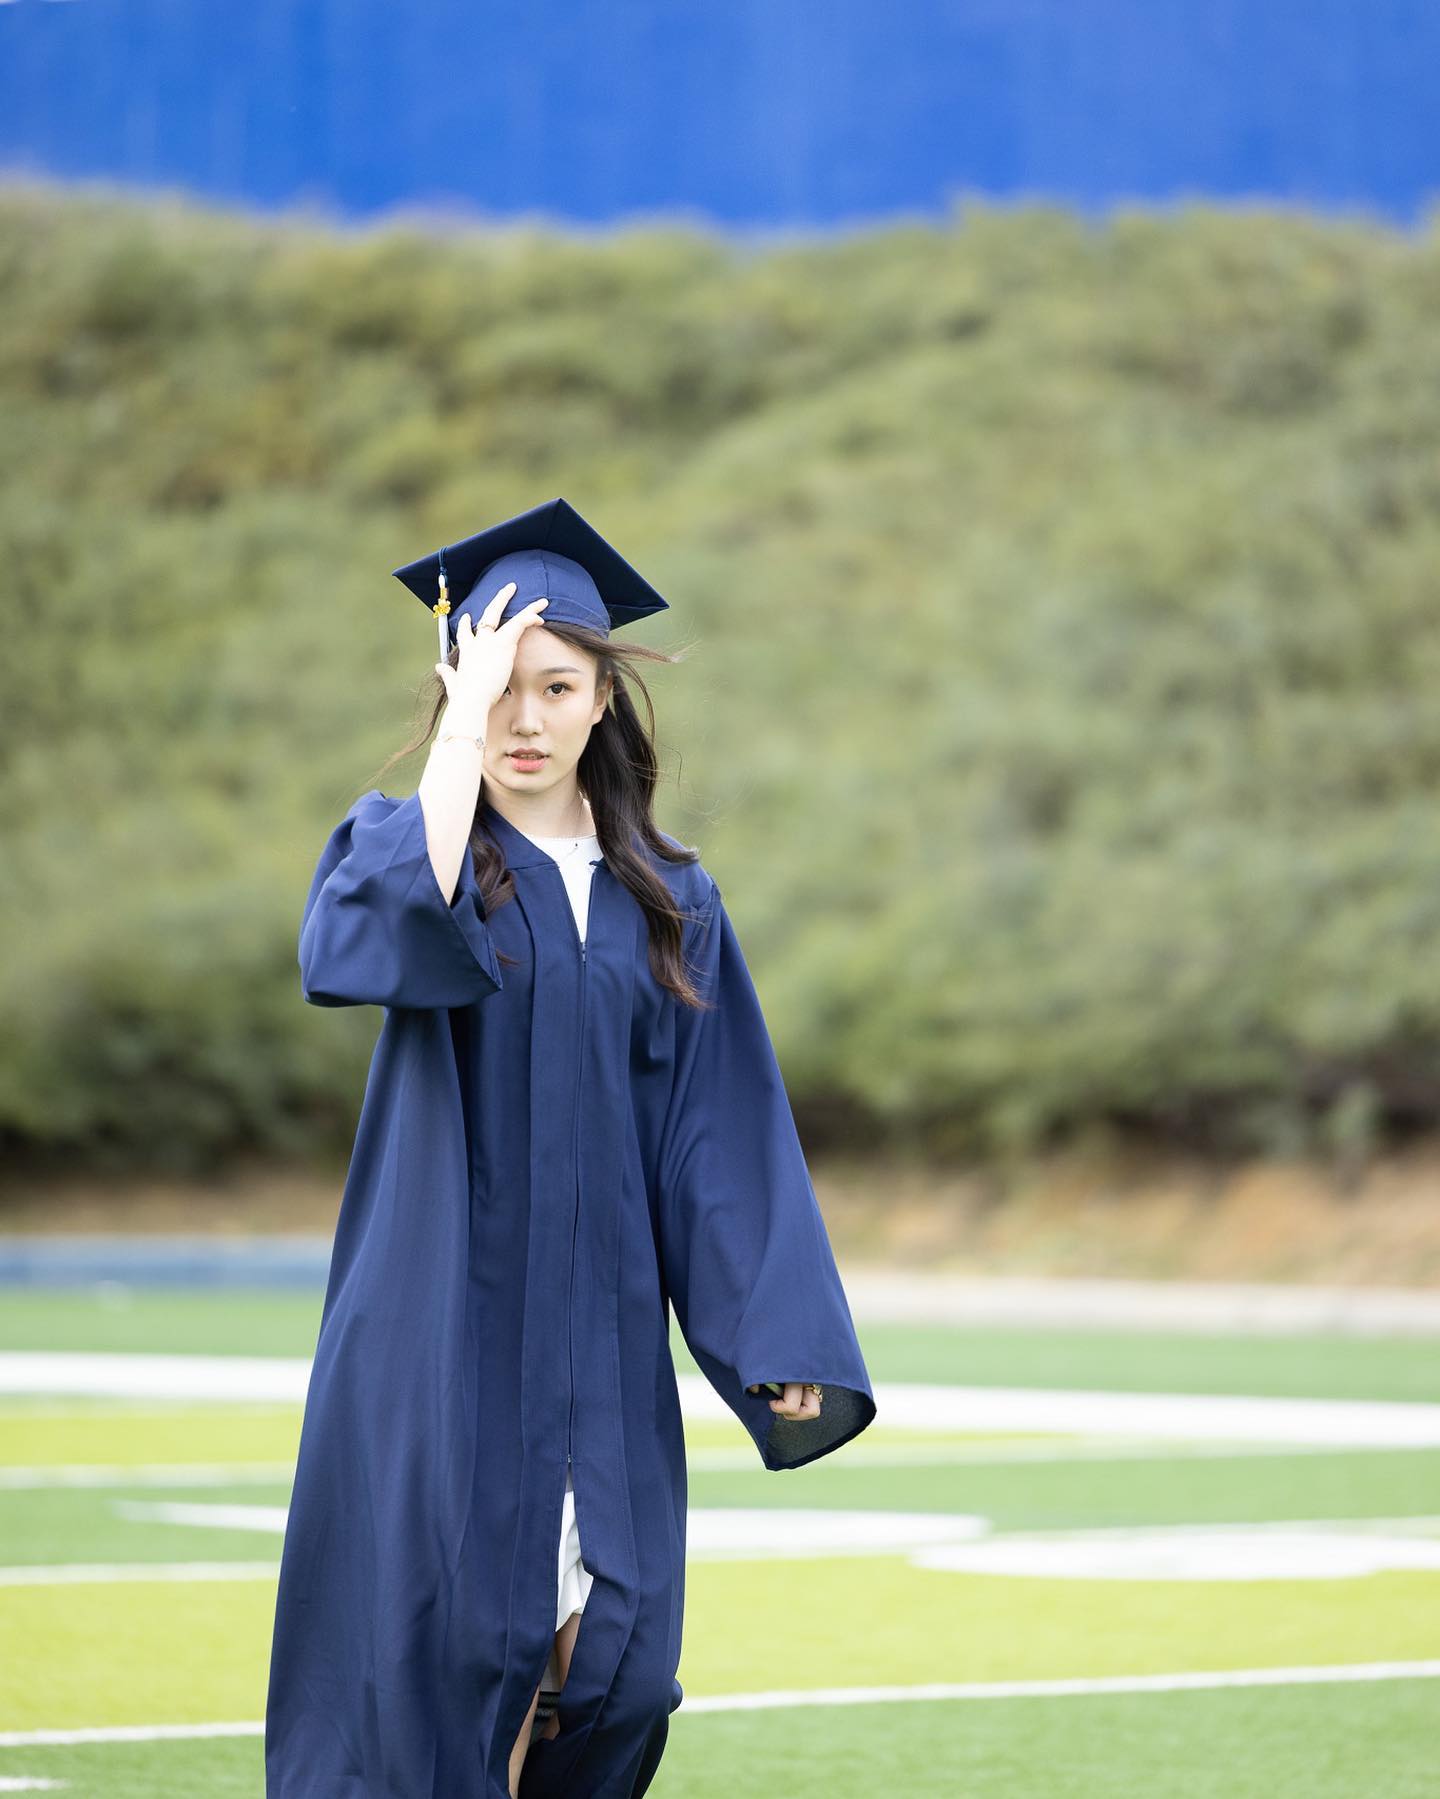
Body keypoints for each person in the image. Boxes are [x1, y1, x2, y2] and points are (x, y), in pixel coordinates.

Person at [264, 498, 877, 1798]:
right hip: (441, 1337)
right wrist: (457, 722)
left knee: (618, 1666)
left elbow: (718, 1130)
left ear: (605, 701)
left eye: (555, 686)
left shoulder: (669, 896)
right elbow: (355, 942)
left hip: (599, 1346)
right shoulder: (420, 854)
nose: (524, 721)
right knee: (446, 1659)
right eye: (498, 690)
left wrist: (774, 1339)